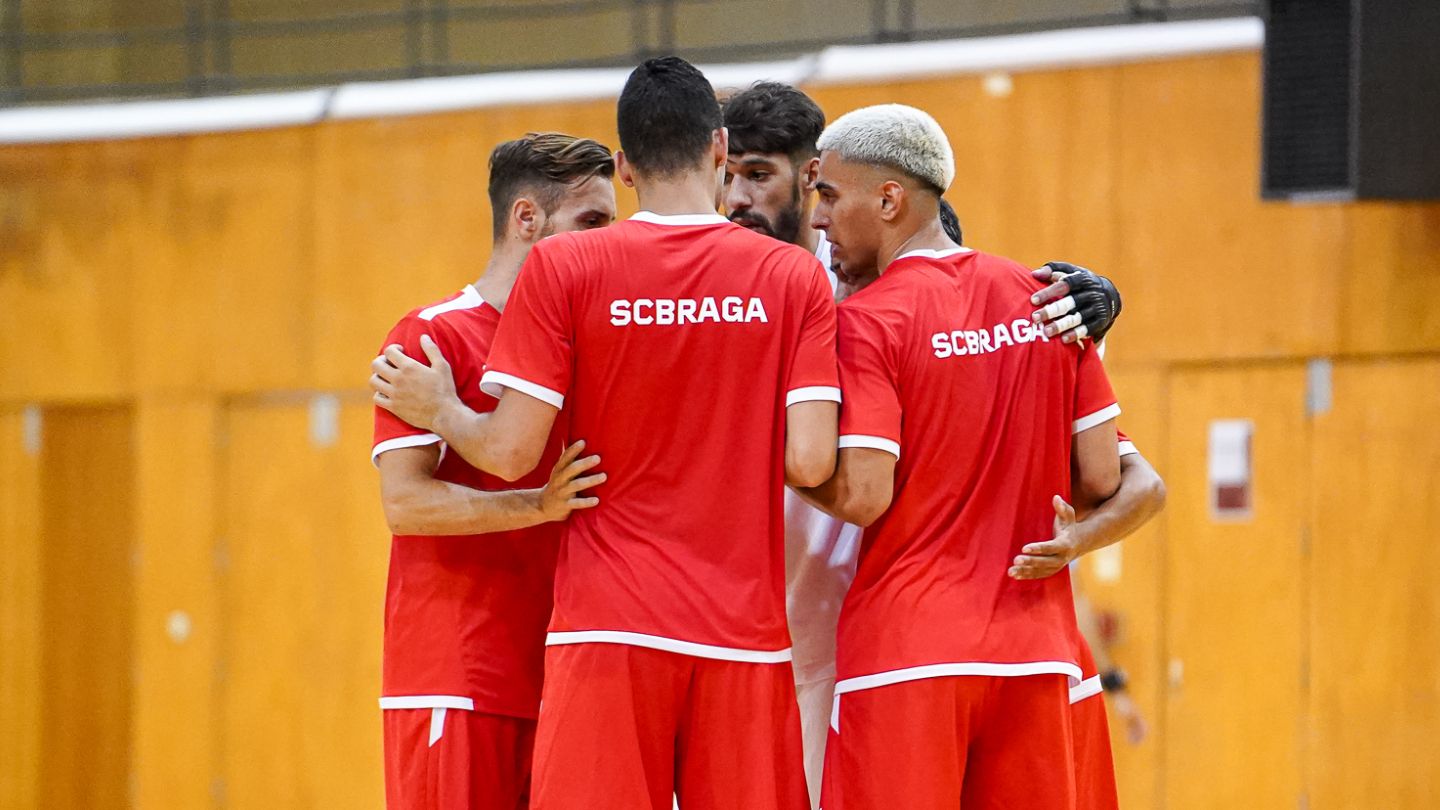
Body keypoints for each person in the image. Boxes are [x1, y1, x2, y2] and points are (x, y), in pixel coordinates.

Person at [371, 56, 836, 810]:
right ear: (719, 149)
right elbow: (812, 460)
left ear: (623, 167)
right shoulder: (792, 277)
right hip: (744, 633)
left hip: (608, 630)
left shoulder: (566, 267)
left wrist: (445, 412)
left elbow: (513, 451)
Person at [720, 81, 1145, 809]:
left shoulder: (863, 307)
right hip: (1000, 645)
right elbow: (1106, 476)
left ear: (880, 199)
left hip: (888, 643)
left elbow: (862, 495)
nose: (735, 197)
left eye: (761, 176)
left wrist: (1098, 326)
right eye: (726, 175)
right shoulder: (1031, 298)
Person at [370, 133, 618, 810]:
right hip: (461, 672)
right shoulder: (432, 335)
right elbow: (406, 505)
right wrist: (535, 505)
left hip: (567, 674)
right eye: (590, 223)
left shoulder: (589, 347)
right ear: (527, 219)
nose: (606, 245)